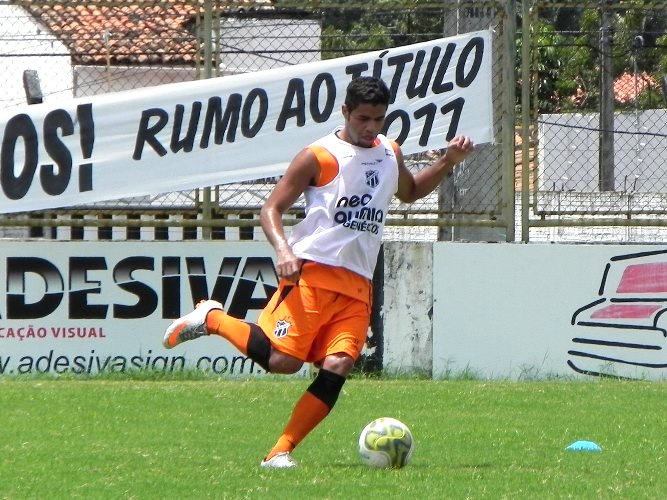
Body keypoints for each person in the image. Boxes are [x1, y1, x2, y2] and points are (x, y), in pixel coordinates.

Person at [163, 76, 474, 468]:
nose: (371, 127)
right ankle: (212, 318)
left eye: (379, 119)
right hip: (312, 274)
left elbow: (409, 192)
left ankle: (279, 451)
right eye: (363, 118)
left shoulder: (389, 152)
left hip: (359, 283)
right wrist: (283, 250)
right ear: (345, 112)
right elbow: (271, 209)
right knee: (282, 363)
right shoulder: (318, 155)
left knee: (339, 365)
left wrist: (447, 161)